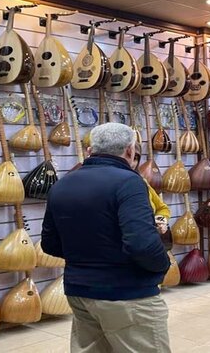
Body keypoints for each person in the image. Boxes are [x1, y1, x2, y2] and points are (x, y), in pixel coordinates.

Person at [41, 123, 171, 353]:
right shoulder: (129, 182)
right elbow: (142, 244)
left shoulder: (63, 184)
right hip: (128, 292)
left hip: (79, 291)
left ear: (90, 150)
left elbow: (50, 244)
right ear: (130, 151)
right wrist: (162, 266)